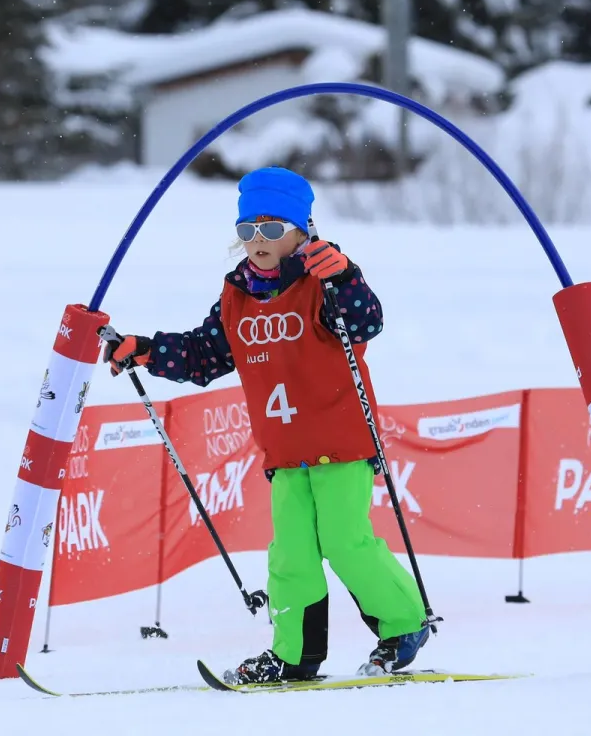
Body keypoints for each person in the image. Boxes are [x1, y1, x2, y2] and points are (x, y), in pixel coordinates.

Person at [105, 166, 429, 683]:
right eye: (247, 230)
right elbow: (203, 354)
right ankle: (294, 654)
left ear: (301, 231)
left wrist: (343, 274)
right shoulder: (237, 297)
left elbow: (366, 321)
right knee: (291, 555)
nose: (259, 241)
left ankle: (405, 624)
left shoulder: (324, 283)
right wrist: (144, 351)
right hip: (284, 450)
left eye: (273, 229)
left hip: (341, 441)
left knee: (346, 541)